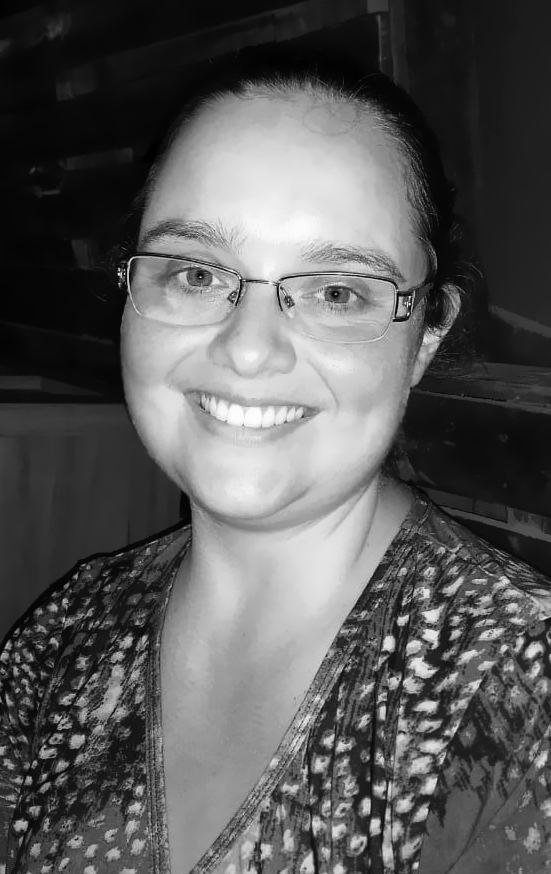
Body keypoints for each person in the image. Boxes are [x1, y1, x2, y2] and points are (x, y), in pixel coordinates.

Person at [1, 54, 551, 874]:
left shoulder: (519, 694)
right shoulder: (65, 633)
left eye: (337, 293)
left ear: (424, 337)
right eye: (196, 273)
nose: (249, 349)